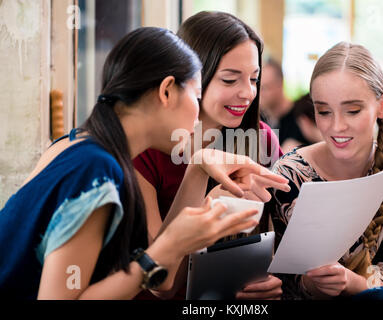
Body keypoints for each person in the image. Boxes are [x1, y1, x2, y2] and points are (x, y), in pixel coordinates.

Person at [0, 27, 288, 300]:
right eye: (196, 96)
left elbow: (159, 282)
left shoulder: (79, 144)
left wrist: (198, 166)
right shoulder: (97, 169)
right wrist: (170, 244)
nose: (197, 117)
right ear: (166, 91)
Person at [133, 11, 288, 300]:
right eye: (230, 80)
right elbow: (159, 284)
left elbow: (282, 235)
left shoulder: (261, 137)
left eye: (254, 79)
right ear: (190, 79)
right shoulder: (148, 152)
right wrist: (207, 208)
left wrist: (276, 278)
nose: (247, 93)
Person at [267, 42, 383, 300]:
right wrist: (310, 284)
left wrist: (350, 282)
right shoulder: (290, 174)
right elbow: (282, 281)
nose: (336, 126)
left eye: (353, 110)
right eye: (324, 111)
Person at [259, 58, 310, 152]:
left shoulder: (302, 117)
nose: (258, 94)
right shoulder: (260, 120)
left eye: (264, 88)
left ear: (280, 84)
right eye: (256, 87)